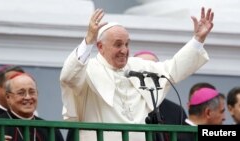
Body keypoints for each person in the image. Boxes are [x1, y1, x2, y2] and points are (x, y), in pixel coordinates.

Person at [60, 7, 214, 141]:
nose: (124, 50)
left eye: (127, 44)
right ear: (100, 46)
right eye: (118, 44)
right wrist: (88, 41)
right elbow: (68, 77)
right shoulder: (88, 69)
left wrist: (198, 40)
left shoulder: (138, 67)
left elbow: (172, 69)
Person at [0, 72, 64, 141]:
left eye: (32, 92)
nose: (28, 97)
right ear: (8, 97)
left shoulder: (50, 130)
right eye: (21, 93)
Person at [133, 50, 188, 141]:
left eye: (153, 69)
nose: (149, 75)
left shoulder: (176, 111)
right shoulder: (125, 104)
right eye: (143, 70)